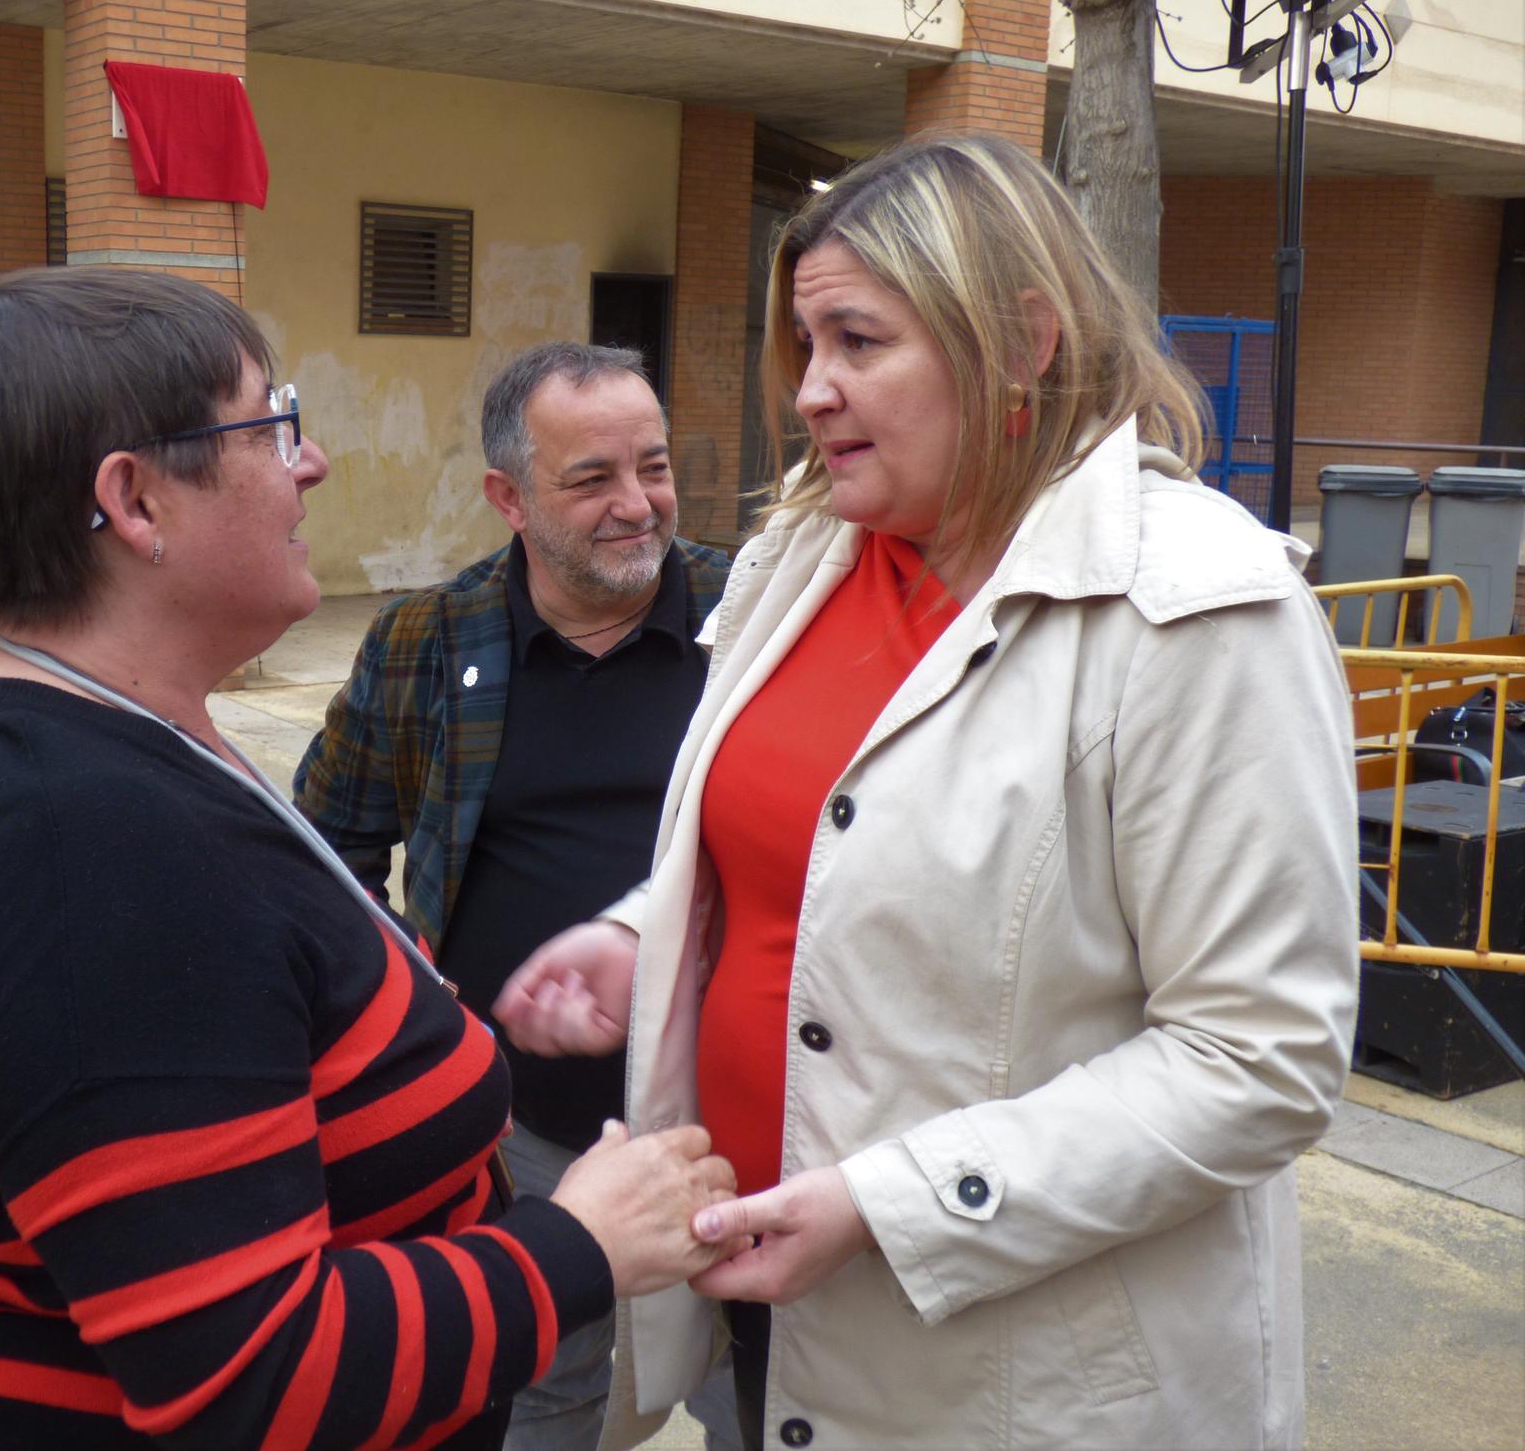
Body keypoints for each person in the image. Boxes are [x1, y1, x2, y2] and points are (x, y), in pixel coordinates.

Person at [497, 134, 1359, 1451]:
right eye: (805, 348)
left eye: (858, 341)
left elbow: (1262, 1058)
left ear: (1020, 340)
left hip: (1019, 1371)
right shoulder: (810, 552)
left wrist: (887, 1206)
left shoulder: (1201, 611)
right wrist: (646, 931)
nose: (813, 393)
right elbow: (808, 839)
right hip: (764, 1300)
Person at [0, 266, 740, 1450]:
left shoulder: (111, 736)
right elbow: (247, 1376)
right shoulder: (79, 845)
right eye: (272, 424)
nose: (309, 462)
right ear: (133, 501)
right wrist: (576, 1244)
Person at [295, 341, 737, 1450]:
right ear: (507, 497)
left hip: (748, 1112)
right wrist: (412, 993)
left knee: (768, 1386)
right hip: (527, 1130)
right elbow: (322, 849)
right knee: (542, 1382)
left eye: (653, 467)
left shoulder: (756, 620)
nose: (637, 506)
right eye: (590, 480)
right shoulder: (427, 642)